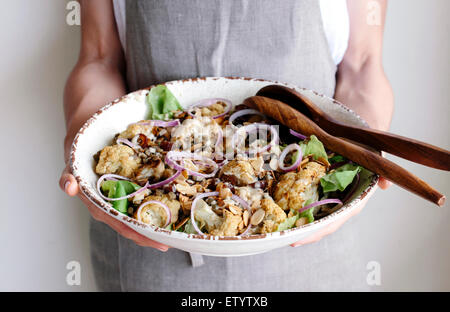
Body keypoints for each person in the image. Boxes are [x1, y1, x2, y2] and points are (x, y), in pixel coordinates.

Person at [59, 0, 393, 291]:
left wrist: (366, 144)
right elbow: (99, 59)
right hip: (149, 250)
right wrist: (83, 138)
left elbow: (362, 66)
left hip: (313, 254)